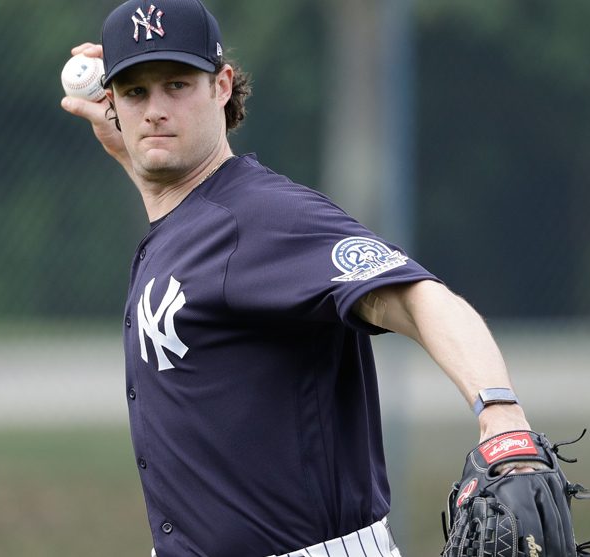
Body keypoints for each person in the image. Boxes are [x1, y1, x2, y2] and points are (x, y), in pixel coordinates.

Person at [61, 1, 534, 555]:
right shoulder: (183, 220)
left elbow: (417, 297)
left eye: (177, 84)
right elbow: (165, 182)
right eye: (136, 92)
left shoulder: (262, 218)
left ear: (221, 85)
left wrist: (501, 414)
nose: (155, 110)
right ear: (112, 101)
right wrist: (132, 152)